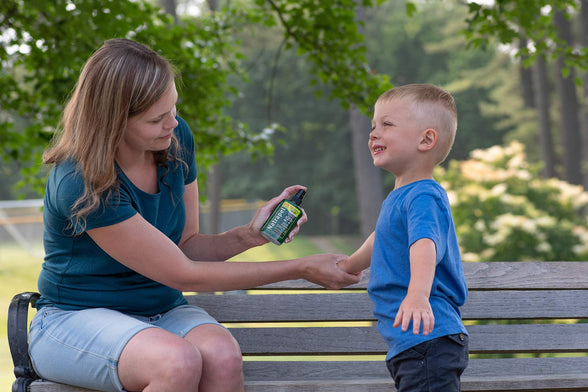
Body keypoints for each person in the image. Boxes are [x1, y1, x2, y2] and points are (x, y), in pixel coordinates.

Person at [28, 38, 360, 392]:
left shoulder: (175, 140)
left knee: (222, 356)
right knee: (177, 362)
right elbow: (185, 274)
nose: (172, 123)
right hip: (74, 318)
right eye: (157, 118)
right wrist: (301, 267)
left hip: (160, 311)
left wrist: (250, 235)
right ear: (113, 121)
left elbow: (186, 246)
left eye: (173, 109)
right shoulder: (80, 181)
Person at [338, 84, 469, 391]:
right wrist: (349, 265)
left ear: (426, 139)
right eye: (373, 126)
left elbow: (425, 245)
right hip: (415, 342)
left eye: (387, 125)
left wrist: (418, 294)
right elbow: (381, 237)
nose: (374, 133)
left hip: (428, 340)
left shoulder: (424, 194)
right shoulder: (403, 196)